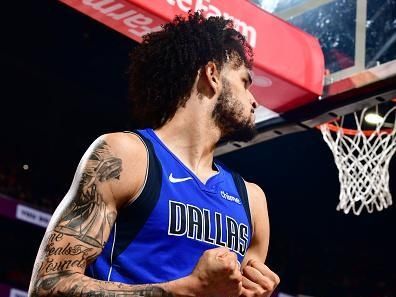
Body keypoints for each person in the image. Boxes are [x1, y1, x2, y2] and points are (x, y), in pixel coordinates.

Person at [29, 11, 280, 297]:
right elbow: (47, 286)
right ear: (212, 74)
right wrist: (183, 291)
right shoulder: (126, 156)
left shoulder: (253, 200)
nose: (254, 100)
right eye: (245, 82)